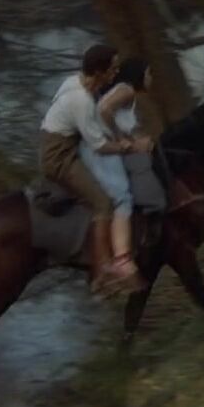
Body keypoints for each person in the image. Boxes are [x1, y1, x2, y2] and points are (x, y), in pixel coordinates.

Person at [39, 44, 141, 293]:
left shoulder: (74, 82)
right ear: (98, 72)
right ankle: (103, 267)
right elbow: (100, 146)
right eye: (112, 69)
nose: (116, 73)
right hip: (60, 157)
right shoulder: (81, 100)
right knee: (103, 203)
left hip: (62, 145)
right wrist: (127, 147)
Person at [78, 57, 163, 292]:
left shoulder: (126, 94)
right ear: (139, 74)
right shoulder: (126, 90)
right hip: (101, 150)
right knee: (122, 198)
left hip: (100, 146)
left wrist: (137, 141)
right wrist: (123, 141)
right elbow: (104, 110)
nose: (151, 79)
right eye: (149, 73)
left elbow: (114, 118)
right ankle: (122, 260)